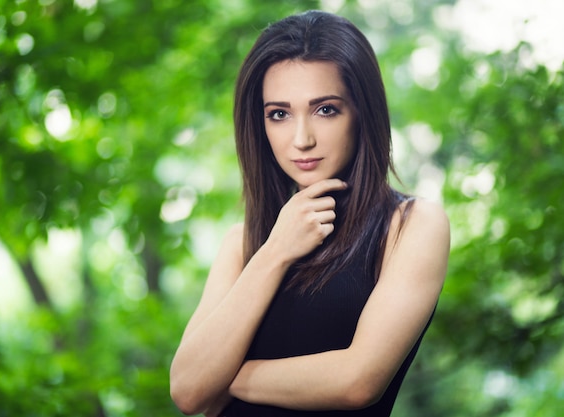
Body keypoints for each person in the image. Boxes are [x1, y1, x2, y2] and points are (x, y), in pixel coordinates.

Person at [169, 10, 449, 417]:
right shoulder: (244, 241)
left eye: (325, 109)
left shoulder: (411, 225)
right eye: (279, 114)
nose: (302, 139)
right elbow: (188, 391)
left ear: (362, 113)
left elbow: (358, 381)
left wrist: (229, 377)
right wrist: (277, 250)